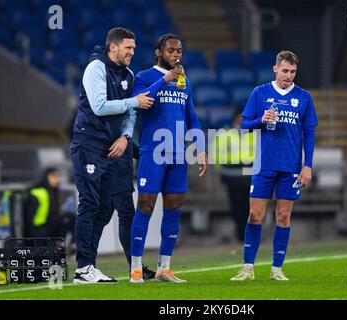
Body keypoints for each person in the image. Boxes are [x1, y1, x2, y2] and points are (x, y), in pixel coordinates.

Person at [70, 27, 155, 284]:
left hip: (112, 146)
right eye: (128, 48)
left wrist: (125, 137)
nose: (132, 52)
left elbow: (130, 114)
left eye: (133, 48)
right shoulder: (96, 68)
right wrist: (133, 102)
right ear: (113, 47)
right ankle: (83, 267)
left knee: (105, 208)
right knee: (90, 204)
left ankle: (89, 267)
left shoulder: (127, 74)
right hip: (89, 145)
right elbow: (99, 106)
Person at [230, 50, 318, 281]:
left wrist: (307, 165)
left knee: (282, 216)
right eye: (285, 71)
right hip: (263, 166)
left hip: (290, 167)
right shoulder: (260, 93)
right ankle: (248, 267)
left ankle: (277, 268)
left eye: (293, 72)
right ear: (275, 69)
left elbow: (308, 133)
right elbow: (244, 126)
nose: (289, 76)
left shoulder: (304, 97)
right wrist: (261, 120)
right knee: (255, 214)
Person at [129, 33, 207, 283]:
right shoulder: (143, 76)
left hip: (178, 155)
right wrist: (165, 79)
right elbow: (143, 103)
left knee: (173, 209)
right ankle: (136, 268)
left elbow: (191, 115)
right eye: (171, 51)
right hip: (153, 152)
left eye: (179, 51)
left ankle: (164, 267)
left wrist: (201, 147)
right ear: (158, 52)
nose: (176, 55)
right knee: (146, 207)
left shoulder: (184, 80)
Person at [212, 109, 254, 242]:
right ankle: (240, 234)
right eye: (239, 117)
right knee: (236, 207)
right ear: (234, 117)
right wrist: (221, 170)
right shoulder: (224, 133)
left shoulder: (253, 133)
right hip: (231, 176)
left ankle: (248, 235)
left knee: (249, 207)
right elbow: (216, 153)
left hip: (249, 176)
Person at [23, 168, 74, 246]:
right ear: (46, 177)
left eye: (57, 177)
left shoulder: (52, 192)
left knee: (68, 219)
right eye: (53, 176)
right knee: (68, 218)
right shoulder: (40, 193)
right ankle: (62, 245)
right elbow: (29, 216)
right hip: (38, 230)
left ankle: (65, 245)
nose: (56, 180)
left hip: (46, 227)